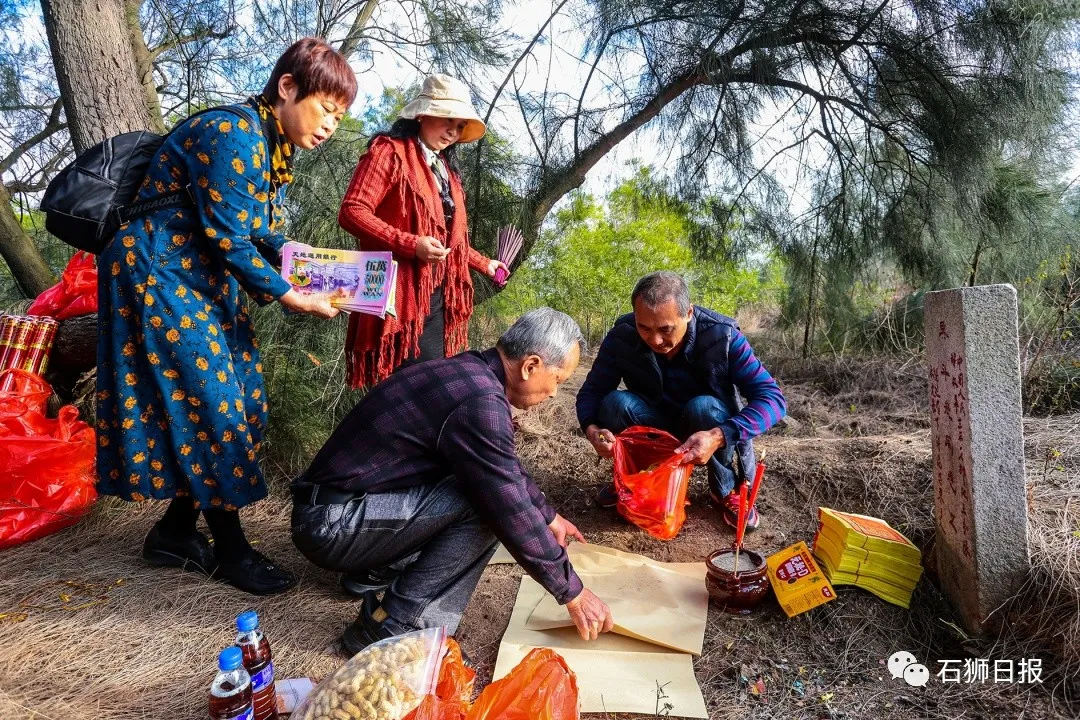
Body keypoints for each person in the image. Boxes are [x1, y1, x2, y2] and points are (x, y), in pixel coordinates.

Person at [95, 38, 357, 595]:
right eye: (326, 109)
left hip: (195, 274)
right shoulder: (234, 131)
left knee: (238, 392)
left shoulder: (268, 146)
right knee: (213, 400)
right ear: (288, 88)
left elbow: (255, 233)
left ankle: (173, 532)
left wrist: (328, 272)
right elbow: (231, 238)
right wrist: (294, 295)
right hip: (158, 271)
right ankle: (232, 550)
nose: (331, 125)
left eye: (340, 116)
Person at [290, 308, 614, 653]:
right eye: (558, 381)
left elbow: (502, 466)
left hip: (339, 509)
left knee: (481, 484)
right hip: (332, 525)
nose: (553, 393)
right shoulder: (481, 403)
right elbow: (505, 500)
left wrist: (548, 515)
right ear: (530, 366)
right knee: (484, 504)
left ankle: (376, 569)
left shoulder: (470, 372)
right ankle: (395, 626)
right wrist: (573, 592)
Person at [576, 272, 786, 529]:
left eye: (666, 329)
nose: (655, 340)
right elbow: (591, 392)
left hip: (707, 426)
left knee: (704, 407)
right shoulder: (622, 335)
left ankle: (725, 489)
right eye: (644, 327)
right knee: (615, 404)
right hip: (653, 423)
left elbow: (773, 399)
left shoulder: (723, 336)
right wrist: (592, 429)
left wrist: (720, 435)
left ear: (688, 313)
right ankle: (638, 480)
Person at [338, 73, 507, 388]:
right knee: (405, 390)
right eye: (447, 120)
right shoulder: (389, 152)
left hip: (439, 297)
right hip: (397, 294)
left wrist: (486, 264)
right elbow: (352, 212)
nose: (452, 132)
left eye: (459, 127)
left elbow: (449, 241)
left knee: (432, 388)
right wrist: (410, 244)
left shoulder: (448, 174)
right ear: (422, 114)